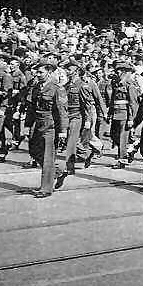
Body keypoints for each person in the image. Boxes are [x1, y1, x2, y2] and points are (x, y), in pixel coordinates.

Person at [23, 62, 69, 198]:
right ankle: (58, 171)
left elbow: (62, 111)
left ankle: (46, 188)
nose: (37, 74)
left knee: (48, 156)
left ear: (49, 72)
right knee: (34, 151)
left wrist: (63, 130)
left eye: (40, 72)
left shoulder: (57, 88)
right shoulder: (36, 87)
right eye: (36, 72)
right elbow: (31, 108)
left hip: (51, 125)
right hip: (37, 123)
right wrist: (27, 125)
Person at [54, 62, 94, 190]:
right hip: (67, 115)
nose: (67, 72)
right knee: (68, 141)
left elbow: (87, 104)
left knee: (71, 142)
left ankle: (68, 168)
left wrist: (88, 119)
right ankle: (87, 153)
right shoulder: (66, 85)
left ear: (76, 70)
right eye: (66, 70)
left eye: (70, 69)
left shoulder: (82, 85)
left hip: (77, 116)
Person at [108, 61, 139, 169]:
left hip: (125, 114)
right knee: (113, 135)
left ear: (126, 72)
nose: (118, 72)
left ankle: (122, 159)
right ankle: (130, 148)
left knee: (122, 137)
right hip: (116, 113)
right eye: (117, 70)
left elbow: (133, 103)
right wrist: (110, 113)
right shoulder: (116, 83)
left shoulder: (130, 85)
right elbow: (113, 99)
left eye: (120, 71)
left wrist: (131, 118)